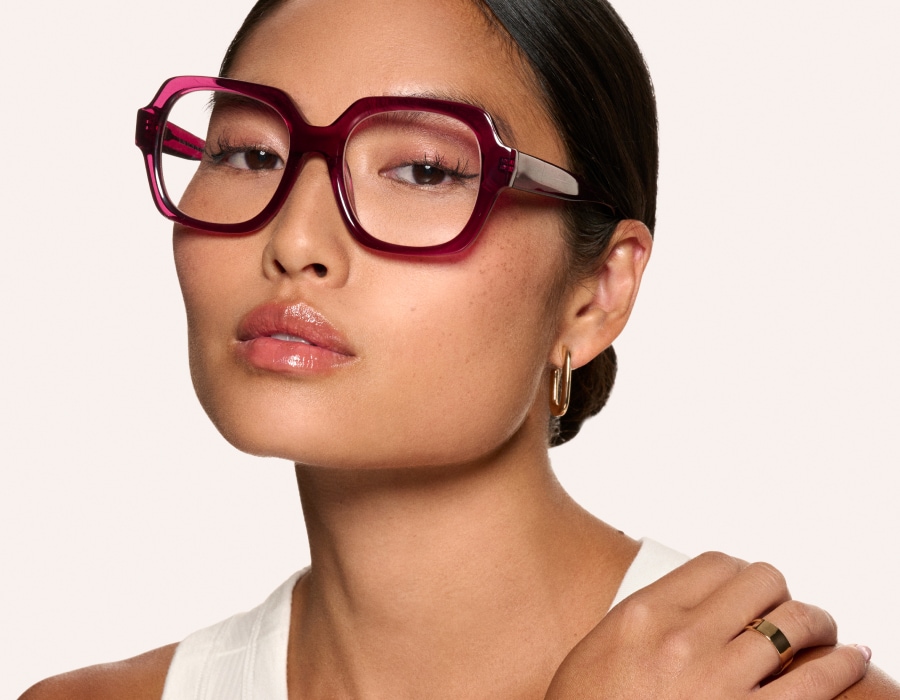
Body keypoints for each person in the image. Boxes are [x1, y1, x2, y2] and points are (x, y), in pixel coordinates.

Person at [19, 0, 900, 698]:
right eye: (248, 154)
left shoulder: (767, 689)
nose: (295, 241)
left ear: (596, 294)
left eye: (424, 170)